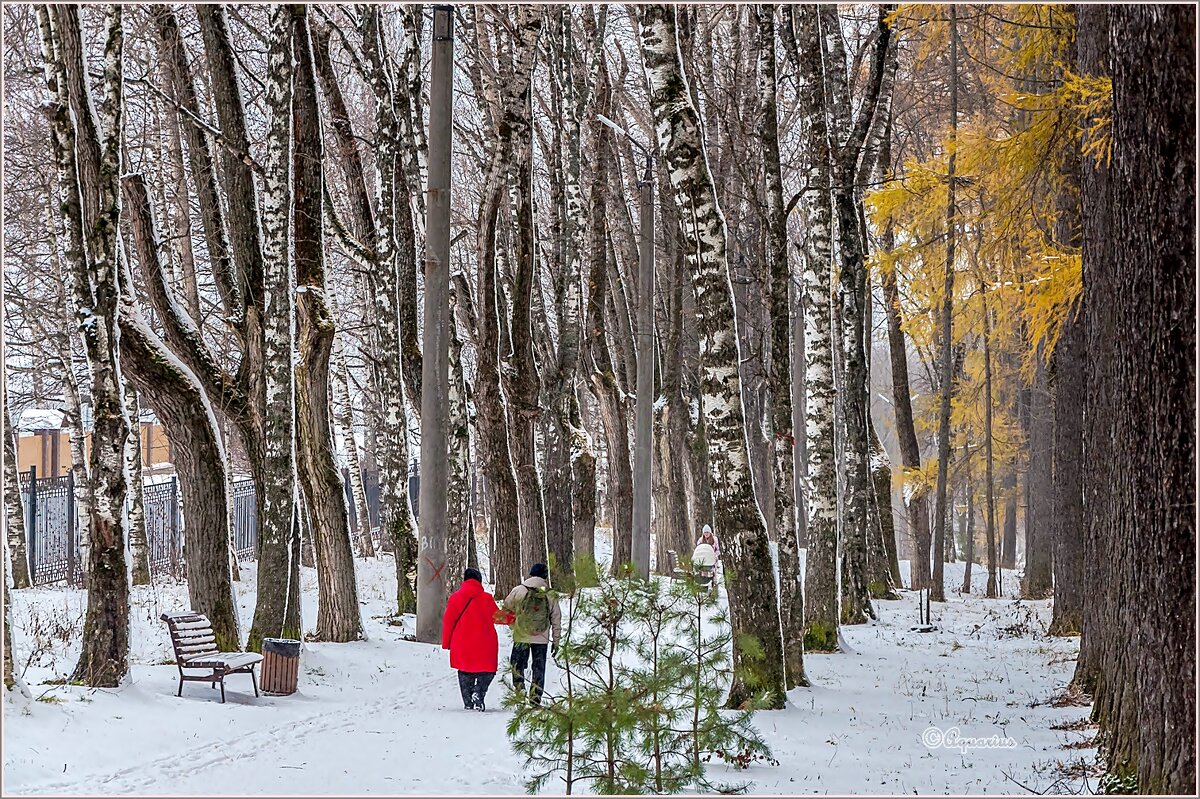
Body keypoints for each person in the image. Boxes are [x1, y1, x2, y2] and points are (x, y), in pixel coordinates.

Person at [442, 568, 510, 712]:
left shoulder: (454, 598)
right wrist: (515, 618)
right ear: (479, 581)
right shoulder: (487, 599)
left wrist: (447, 643)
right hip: (485, 643)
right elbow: (499, 617)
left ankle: (468, 701)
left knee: (464, 671)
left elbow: (448, 622)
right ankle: (478, 693)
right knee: (487, 671)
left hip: (461, 643)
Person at [502, 563, 562, 706]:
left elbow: (505, 610)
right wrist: (556, 640)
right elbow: (556, 619)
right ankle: (535, 698)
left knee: (517, 665)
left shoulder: (518, 590)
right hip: (541, 638)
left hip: (521, 635)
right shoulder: (550, 594)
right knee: (538, 668)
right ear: (545, 576)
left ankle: (519, 690)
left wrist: (514, 627)